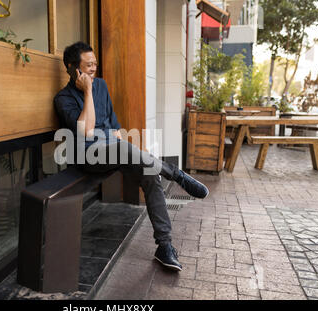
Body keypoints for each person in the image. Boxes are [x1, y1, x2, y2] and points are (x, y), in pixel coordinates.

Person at [54, 42, 209, 271]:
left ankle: (165, 246)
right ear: (72, 68)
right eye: (88, 66)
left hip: (113, 150)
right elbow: (86, 132)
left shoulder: (101, 86)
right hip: (87, 158)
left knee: (149, 174)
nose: (93, 69)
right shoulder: (63, 99)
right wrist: (87, 92)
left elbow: (115, 130)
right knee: (125, 147)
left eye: (95, 64)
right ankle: (175, 174)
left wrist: (104, 133)